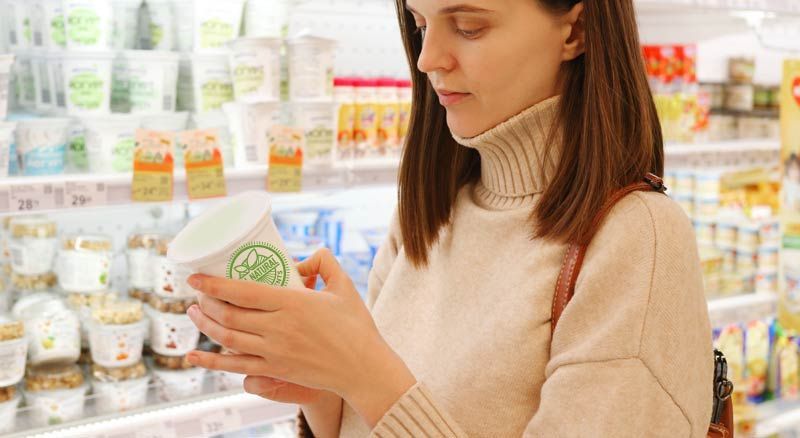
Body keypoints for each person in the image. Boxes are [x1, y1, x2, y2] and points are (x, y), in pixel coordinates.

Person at [184, 0, 714, 436]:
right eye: (419, 26)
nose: (428, 58)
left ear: (575, 30)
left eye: (467, 27)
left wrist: (364, 372)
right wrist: (327, 396)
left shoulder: (638, 239)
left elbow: (389, 394)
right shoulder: (429, 214)